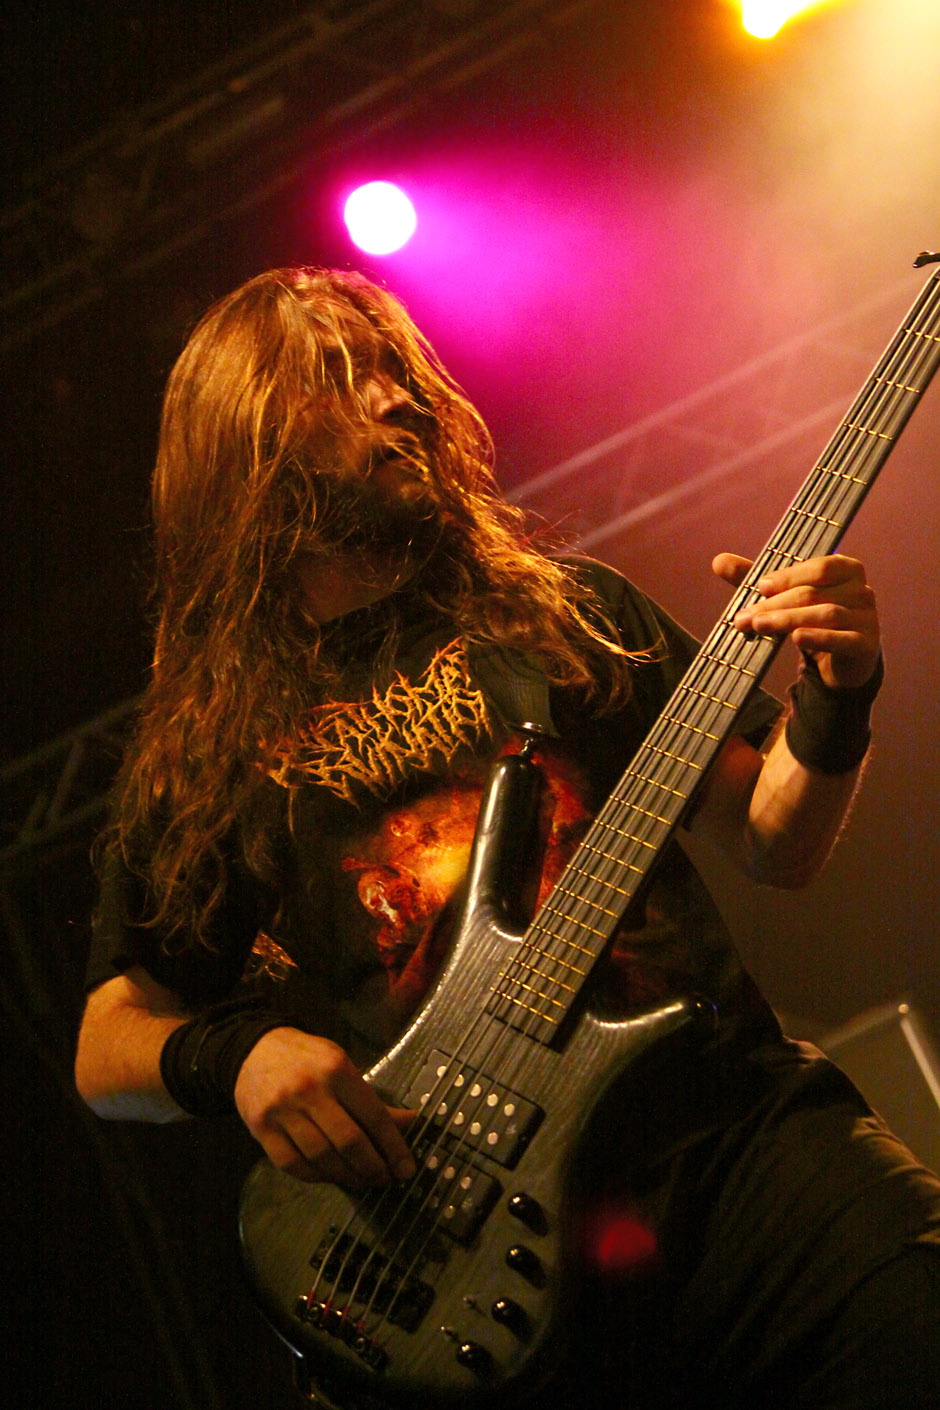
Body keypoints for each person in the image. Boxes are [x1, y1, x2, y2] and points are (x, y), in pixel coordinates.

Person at [75, 267, 940, 1408]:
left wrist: (837, 694)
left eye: (398, 371)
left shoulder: (564, 610)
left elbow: (773, 840)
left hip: (735, 1145)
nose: (397, 398)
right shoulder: (213, 752)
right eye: (346, 380)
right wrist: (236, 1061)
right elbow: (106, 1043)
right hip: (471, 1246)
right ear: (253, 439)